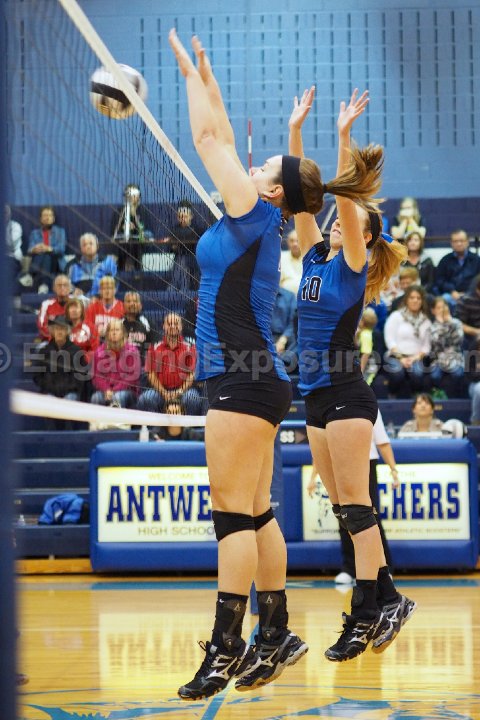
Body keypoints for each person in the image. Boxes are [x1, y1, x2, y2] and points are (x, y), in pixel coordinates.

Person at [168, 30, 330, 698]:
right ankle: (277, 632)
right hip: (256, 377)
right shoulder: (258, 215)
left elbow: (210, 141)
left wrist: (187, 79)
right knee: (257, 513)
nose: (253, 164)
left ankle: (226, 648)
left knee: (231, 514)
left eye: (265, 165)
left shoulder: (252, 214)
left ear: (273, 190)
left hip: (241, 376)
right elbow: (226, 139)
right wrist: (207, 78)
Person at [289, 85, 413, 662]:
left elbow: (342, 197)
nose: (337, 222)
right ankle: (387, 601)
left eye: (349, 219)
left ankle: (366, 614)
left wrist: (343, 140)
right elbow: (301, 199)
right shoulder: (316, 256)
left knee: (357, 508)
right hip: (314, 397)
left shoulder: (353, 266)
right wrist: (296, 132)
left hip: (345, 392)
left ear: (365, 234)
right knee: (344, 509)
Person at [308, 410, 398, 584]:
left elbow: (382, 441)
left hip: (366, 461)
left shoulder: (367, 403)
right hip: (337, 460)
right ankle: (350, 568)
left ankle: (383, 569)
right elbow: (320, 445)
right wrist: (313, 476)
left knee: (369, 516)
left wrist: (393, 469)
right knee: (344, 514)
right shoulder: (328, 405)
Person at [136, 312, 202, 416]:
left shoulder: (190, 347)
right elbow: (151, 373)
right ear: (163, 326)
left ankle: (188, 425)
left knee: (193, 398)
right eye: (169, 323)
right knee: (145, 398)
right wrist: (163, 392)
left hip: (184, 391)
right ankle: (153, 426)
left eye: (176, 323)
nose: (172, 326)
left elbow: (192, 374)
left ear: (181, 326)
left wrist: (180, 391)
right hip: (160, 391)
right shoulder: (154, 347)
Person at [383, 285, 432, 398]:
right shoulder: (396, 316)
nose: (415, 300)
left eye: (418, 298)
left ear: (422, 301)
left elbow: (426, 347)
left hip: (416, 357)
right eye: (412, 297)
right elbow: (390, 340)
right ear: (406, 300)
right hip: (396, 356)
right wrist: (401, 358)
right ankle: (392, 397)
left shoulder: (426, 321)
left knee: (417, 374)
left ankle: (416, 399)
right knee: (397, 373)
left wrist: (414, 358)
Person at [30, 315, 87, 406]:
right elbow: (37, 376)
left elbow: (81, 376)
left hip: (70, 392)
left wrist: (69, 388)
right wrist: (48, 386)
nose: (59, 332)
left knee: (69, 400)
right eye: (57, 329)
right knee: (49, 401)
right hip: (49, 392)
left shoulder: (76, 351)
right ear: (52, 331)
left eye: (62, 329)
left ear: (67, 331)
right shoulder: (44, 351)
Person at [90, 318, 141, 408]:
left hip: (127, 391)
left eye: (117, 330)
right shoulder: (99, 351)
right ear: (107, 334)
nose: (114, 333)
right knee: (96, 398)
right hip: (106, 391)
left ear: (123, 333)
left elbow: (132, 377)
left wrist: (114, 390)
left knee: (117, 397)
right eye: (111, 330)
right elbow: (97, 376)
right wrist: (106, 389)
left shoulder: (132, 351)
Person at [112, 183, 153, 271]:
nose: (131, 197)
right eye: (129, 194)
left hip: (138, 247)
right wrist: (123, 228)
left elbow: (147, 233)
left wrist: (136, 225)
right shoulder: (119, 212)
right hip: (122, 247)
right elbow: (113, 233)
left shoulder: (144, 212)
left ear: (138, 196)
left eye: (134, 194)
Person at [434, 229, 480, 307]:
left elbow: (478, 280)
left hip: (472, 294)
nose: (459, 244)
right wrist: (452, 291)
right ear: (451, 243)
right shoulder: (445, 260)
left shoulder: (476, 260)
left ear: (467, 242)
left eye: (461, 241)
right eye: (455, 241)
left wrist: (468, 292)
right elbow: (440, 280)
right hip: (450, 294)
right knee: (443, 301)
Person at [429, 296, 464, 397]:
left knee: (458, 374)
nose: (442, 310)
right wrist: (441, 324)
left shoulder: (456, 323)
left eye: (444, 306)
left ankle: (454, 398)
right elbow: (437, 343)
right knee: (434, 376)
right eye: (439, 308)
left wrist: (450, 323)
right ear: (433, 311)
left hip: (455, 357)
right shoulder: (432, 326)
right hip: (438, 359)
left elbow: (458, 340)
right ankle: (439, 395)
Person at [27, 205, 67, 292]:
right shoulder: (34, 233)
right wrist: (34, 249)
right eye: (45, 215)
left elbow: (61, 249)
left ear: (53, 219)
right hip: (39, 261)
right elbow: (29, 250)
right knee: (43, 255)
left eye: (50, 215)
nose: (47, 218)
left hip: (55, 262)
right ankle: (43, 284)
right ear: (41, 219)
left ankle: (33, 275)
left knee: (47, 255)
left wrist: (49, 249)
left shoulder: (60, 231)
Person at [66, 232, 117, 296]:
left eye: (91, 243)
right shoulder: (72, 265)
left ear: (97, 246)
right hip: (79, 299)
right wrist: (73, 291)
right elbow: (65, 284)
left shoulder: (108, 262)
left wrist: (99, 294)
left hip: (102, 297)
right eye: (84, 244)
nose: (88, 247)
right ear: (81, 248)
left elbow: (114, 283)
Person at [85, 275, 124, 339]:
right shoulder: (92, 307)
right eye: (104, 288)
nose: (107, 291)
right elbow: (87, 326)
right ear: (100, 290)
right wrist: (97, 332)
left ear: (115, 290)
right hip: (96, 340)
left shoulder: (122, 307)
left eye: (110, 288)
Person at [37, 274, 73, 341]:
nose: (62, 288)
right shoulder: (46, 304)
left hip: (73, 341)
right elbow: (42, 325)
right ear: (54, 288)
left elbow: (82, 325)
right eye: (59, 285)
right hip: (51, 341)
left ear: (70, 288)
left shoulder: (77, 304)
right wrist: (57, 338)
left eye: (65, 285)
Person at [122, 291, 154, 361]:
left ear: (140, 306)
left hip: (143, 365)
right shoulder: (118, 324)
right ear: (123, 305)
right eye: (128, 301)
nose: (132, 304)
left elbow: (155, 344)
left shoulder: (148, 323)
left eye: (135, 301)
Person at [64, 297, 99, 362]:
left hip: (84, 362)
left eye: (76, 307)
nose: (74, 310)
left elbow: (94, 348)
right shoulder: (63, 327)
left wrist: (84, 360)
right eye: (71, 307)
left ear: (82, 311)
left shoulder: (90, 327)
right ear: (67, 311)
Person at [455, 274, 480, 349]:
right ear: (477, 289)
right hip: (471, 337)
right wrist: (477, 331)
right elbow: (458, 324)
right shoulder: (465, 301)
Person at [280, 229, 303, 294]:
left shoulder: (311, 260)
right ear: (288, 242)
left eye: (298, 241)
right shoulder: (281, 258)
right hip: (285, 298)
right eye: (292, 241)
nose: (295, 244)